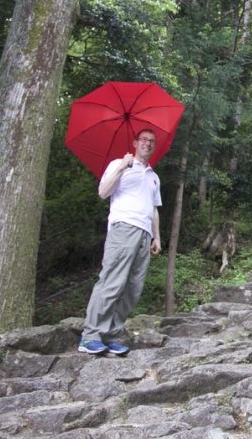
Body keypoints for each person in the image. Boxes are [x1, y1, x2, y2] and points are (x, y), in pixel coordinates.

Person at [78, 128, 162, 356]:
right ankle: (91, 335)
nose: (148, 143)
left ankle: (110, 335)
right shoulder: (119, 164)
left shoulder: (153, 176)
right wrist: (122, 167)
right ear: (135, 142)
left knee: (133, 288)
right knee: (112, 282)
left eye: (152, 141)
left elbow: (154, 208)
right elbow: (103, 192)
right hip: (123, 227)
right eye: (144, 139)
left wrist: (157, 236)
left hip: (145, 234)